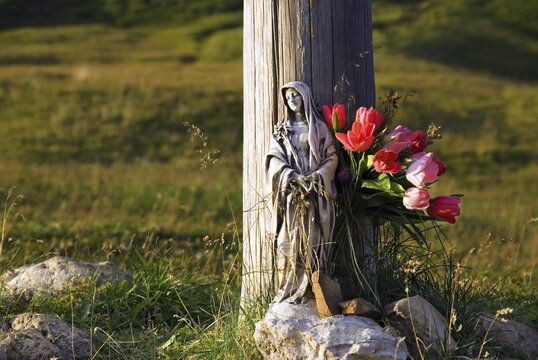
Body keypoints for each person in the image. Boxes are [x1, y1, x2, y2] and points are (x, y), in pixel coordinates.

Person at [266, 81, 338, 303]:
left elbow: (331, 157)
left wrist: (317, 178)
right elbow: (274, 159)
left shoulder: (320, 128)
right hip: (292, 192)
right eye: (288, 97)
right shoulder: (282, 131)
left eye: (296, 95)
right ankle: (289, 286)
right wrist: (291, 177)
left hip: (315, 192)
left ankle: (312, 286)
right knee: (289, 238)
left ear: (305, 96)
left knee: (313, 238)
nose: (292, 100)